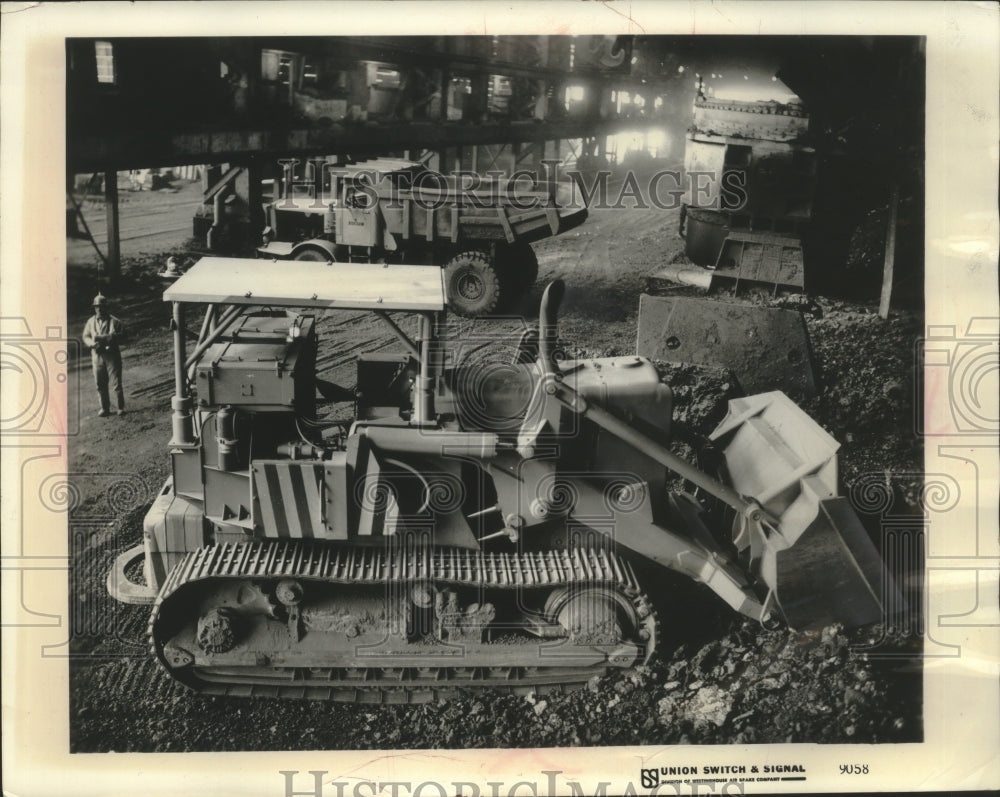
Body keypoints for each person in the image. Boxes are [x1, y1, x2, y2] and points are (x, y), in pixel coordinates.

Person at [81, 293, 126, 417]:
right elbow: (86, 336)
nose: (99, 309)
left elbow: (121, 335)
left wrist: (105, 338)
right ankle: (104, 407)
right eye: (97, 307)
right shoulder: (90, 322)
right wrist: (92, 344)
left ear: (106, 307)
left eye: (101, 306)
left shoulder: (114, 321)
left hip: (112, 355)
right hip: (97, 356)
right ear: (94, 308)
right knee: (100, 383)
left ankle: (120, 407)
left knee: (116, 382)